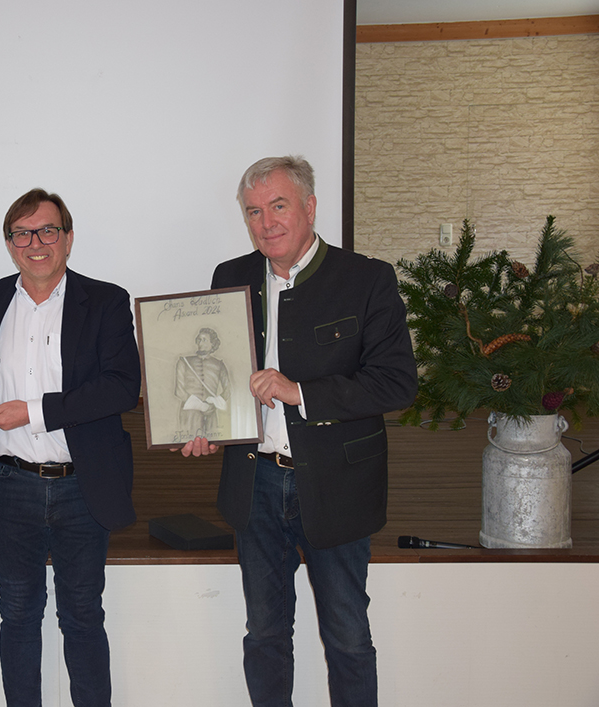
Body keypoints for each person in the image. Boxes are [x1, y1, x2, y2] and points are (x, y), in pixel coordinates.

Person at [180, 156, 417, 707]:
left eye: (279, 206)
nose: (266, 223)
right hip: (255, 485)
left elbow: (396, 383)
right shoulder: (229, 277)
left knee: (348, 639)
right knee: (264, 636)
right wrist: (208, 427)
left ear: (310, 207)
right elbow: (223, 381)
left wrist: (300, 392)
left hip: (337, 487)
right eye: (254, 212)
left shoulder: (367, 279)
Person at [0, 188, 141, 707]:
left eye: (48, 231)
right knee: (18, 615)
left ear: (68, 239)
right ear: (10, 244)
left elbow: (122, 386)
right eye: (22, 233)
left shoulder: (105, 301)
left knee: (82, 617)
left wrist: (32, 410)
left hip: (82, 486)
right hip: (11, 485)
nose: (36, 243)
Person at [174, 327, 231, 439]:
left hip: (211, 413)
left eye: (204, 340)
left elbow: (227, 390)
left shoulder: (219, 365)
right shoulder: (184, 362)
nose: (200, 342)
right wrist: (200, 406)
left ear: (212, 344)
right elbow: (179, 391)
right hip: (189, 414)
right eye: (199, 339)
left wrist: (213, 403)